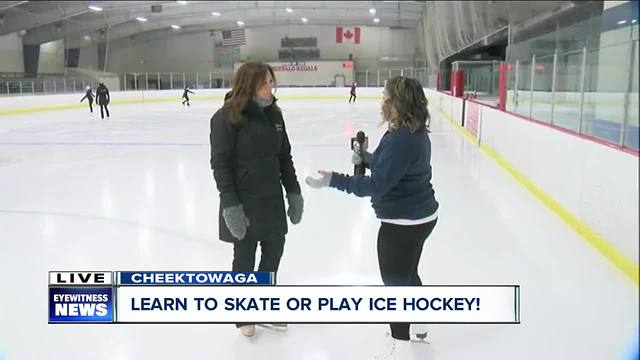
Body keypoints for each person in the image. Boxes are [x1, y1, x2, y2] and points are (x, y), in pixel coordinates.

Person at [306, 76, 439, 360]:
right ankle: (420, 321)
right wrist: (365, 157)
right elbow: (389, 166)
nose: (382, 101)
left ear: (397, 102)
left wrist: (333, 179)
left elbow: (377, 185)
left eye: (385, 96)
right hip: (420, 217)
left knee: (396, 287)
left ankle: (400, 349)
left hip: (402, 224)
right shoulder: (408, 132)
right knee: (408, 274)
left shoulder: (402, 139)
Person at [209, 61, 304, 338]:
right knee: (244, 259)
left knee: (274, 252)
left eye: (272, 82)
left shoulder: (275, 115)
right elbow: (220, 164)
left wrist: (294, 191)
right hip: (243, 202)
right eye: (265, 83)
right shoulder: (226, 117)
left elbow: (284, 157)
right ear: (249, 85)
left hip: (271, 198)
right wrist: (230, 205)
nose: (270, 87)